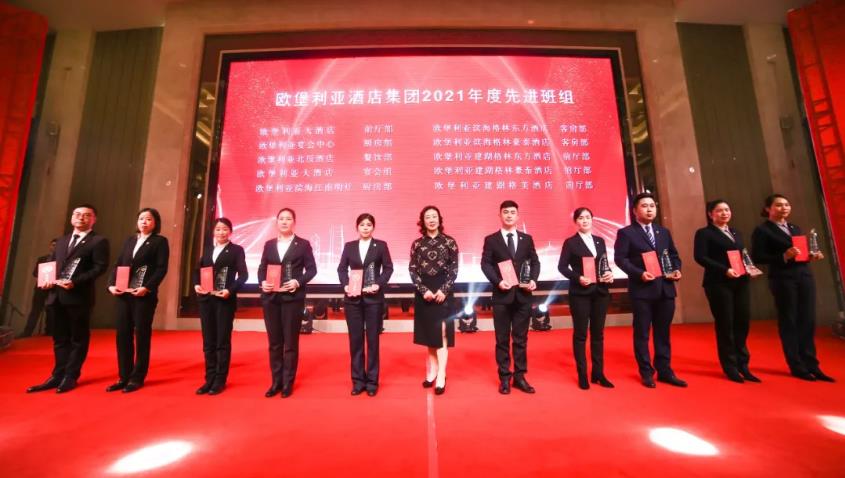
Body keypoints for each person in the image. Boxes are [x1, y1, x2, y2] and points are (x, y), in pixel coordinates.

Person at [27, 204, 110, 394]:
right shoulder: (62, 241)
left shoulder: (98, 241)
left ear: (94, 219)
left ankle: (71, 376)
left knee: (78, 338)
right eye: (77, 214)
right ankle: (57, 375)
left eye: (86, 215)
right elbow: (52, 264)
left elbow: (99, 268)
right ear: (72, 217)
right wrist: (45, 280)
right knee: (59, 338)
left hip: (78, 297)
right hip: (55, 296)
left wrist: (75, 281)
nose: (81, 217)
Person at [751, 194, 834, 382]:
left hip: (804, 276)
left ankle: (812, 364)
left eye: (787, 205)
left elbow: (800, 253)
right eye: (779, 205)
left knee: (808, 320)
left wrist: (810, 255)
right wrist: (784, 256)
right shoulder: (762, 230)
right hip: (783, 279)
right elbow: (758, 257)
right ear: (768, 209)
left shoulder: (795, 228)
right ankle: (796, 365)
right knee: (789, 320)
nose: (784, 208)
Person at [614, 192, 686, 388]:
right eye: (644, 206)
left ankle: (665, 371)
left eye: (652, 206)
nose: (649, 209)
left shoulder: (663, 232)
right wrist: (639, 274)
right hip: (642, 290)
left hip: (665, 289)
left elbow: (673, 255)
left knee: (663, 333)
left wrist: (676, 269)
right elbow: (620, 259)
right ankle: (646, 371)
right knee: (642, 333)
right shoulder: (626, 233)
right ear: (635, 210)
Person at [693, 199, 760, 383]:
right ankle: (730, 366)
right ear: (710, 214)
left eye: (727, 210)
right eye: (719, 210)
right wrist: (724, 270)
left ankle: (743, 364)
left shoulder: (736, 232)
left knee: (742, 322)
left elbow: (743, 255)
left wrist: (750, 268)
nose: (724, 213)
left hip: (741, 281)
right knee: (726, 324)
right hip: (718, 283)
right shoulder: (704, 233)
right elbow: (700, 257)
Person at [106, 208, 170, 393]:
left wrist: (147, 287)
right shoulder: (130, 240)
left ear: (155, 223)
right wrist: (111, 285)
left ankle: (137, 377)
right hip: (124, 294)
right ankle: (123, 376)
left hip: (143, 296)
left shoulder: (159, 242)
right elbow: (119, 264)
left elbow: (161, 268)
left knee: (141, 335)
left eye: (148, 219)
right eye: (141, 218)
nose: (144, 222)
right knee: (123, 335)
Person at [480, 200, 540, 395]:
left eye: (512, 212)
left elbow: (535, 262)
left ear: (518, 215)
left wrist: (533, 279)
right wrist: (498, 281)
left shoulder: (527, 239)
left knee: (521, 339)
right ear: (500, 215)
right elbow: (485, 264)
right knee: (502, 339)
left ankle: (520, 376)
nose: (509, 215)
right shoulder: (491, 239)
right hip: (502, 296)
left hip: (523, 295)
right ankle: (505, 377)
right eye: (505, 212)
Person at [257, 207, 317, 398]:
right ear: (277, 222)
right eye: (281, 218)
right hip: (271, 298)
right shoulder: (269, 244)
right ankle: (276, 382)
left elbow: (312, 270)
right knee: (274, 343)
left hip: (292, 299)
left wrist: (298, 282)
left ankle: (287, 383)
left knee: (290, 343)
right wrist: (262, 282)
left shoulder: (303, 244)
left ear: (294, 222)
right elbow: (262, 268)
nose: (284, 221)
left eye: (288, 218)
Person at [557, 207, 614, 390]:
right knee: (581, 335)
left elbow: (604, 264)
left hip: (600, 293)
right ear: (576, 222)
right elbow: (562, 267)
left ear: (592, 219)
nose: (585, 220)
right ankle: (582, 374)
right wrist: (578, 277)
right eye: (581, 218)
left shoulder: (600, 241)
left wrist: (609, 273)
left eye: (588, 217)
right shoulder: (570, 243)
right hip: (580, 293)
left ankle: (598, 373)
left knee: (598, 334)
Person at [337, 213, 393, 397]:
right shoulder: (349, 246)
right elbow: (341, 269)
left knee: (373, 341)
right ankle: (358, 381)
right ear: (357, 227)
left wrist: (379, 284)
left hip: (373, 299)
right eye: (362, 224)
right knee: (355, 341)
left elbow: (388, 268)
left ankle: (372, 382)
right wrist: (345, 284)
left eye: (369, 224)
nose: (365, 227)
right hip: (352, 299)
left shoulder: (381, 245)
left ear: (373, 227)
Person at [193, 217, 248, 395]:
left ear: (230, 231)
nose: (221, 232)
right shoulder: (208, 250)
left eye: (225, 229)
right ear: (213, 232)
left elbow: (243, 276)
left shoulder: (237, 250)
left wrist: (230, 291)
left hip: (224, 300)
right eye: (218, 229)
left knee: (222, 341)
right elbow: (197, 271)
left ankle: (220, 379)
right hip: (206, 300)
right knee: (208, 341)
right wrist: (196, 284)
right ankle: (208, 378)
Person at [410, 205, 458, 395]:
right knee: (430, 335)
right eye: (428, 217)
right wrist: (423, 290)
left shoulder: (449, 242)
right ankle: (432, 371)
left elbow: (454, 269)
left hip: (443, 292)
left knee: (442, 333)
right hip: (424, 293)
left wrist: (444, 290)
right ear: (423, 221)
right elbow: (413, 270)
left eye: (434, 216)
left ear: (439, 219)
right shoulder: (417, 244)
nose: (431, 220)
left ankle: (441, 375)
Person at [20, 239, 57, 338]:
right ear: (50, 246)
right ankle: (27, 332)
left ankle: (49, 332)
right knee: (35, 310)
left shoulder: (61, 260)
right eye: (53, 245)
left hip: (53, 289)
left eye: (56, 245)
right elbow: (35, 273)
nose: (54, 247)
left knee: (51, 310)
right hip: (40, 288)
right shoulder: (42, 259)